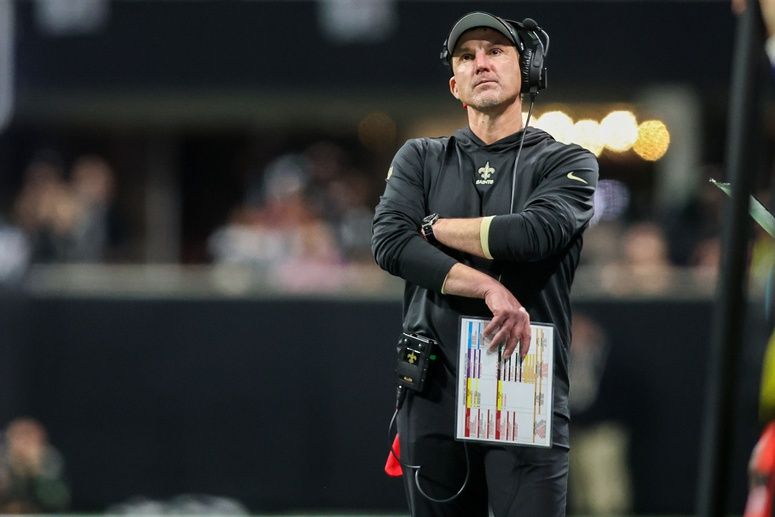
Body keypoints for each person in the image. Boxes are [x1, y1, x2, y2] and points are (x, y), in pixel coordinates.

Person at [371, 11, 598, 516]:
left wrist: (430, 228)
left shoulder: (569, 161)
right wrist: (488, 288)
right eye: (468, 56)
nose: (482, 63)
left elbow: (533, 234)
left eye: (496, 51)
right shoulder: (420, 157)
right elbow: (388, 243)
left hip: (524, 381)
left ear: (528, 70)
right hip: (433, 388)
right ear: (456, 84)